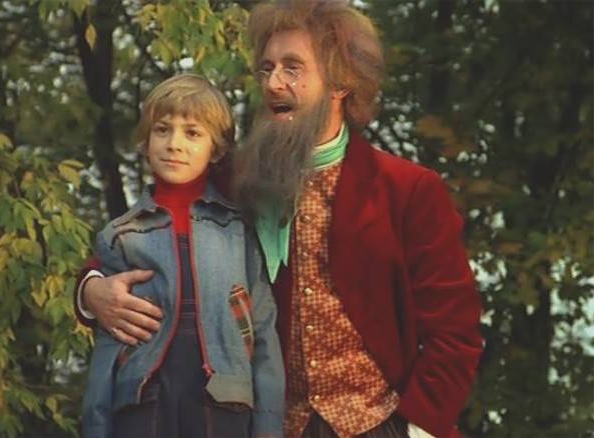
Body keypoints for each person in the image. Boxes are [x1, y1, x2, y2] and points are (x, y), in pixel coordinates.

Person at [76, 2, 483, 438]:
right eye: (266, 68)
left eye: (292, 67)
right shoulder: (232, 179)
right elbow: (148, 230)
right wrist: (92, 291)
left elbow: (454, 331)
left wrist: (417, 429)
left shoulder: (407, 189)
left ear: (340, 82)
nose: (273, 83)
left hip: (381, 423)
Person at [81, 74, 284, 438]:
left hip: (224, 404)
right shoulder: (120, 236)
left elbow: (264, 331)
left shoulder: (239, 230)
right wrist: (97, 428)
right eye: (162, 130)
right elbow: (109, 344)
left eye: (192, 133)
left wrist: (269, 427)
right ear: (145, 142)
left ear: (216, 150)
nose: (174, 144)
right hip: (142, 404)